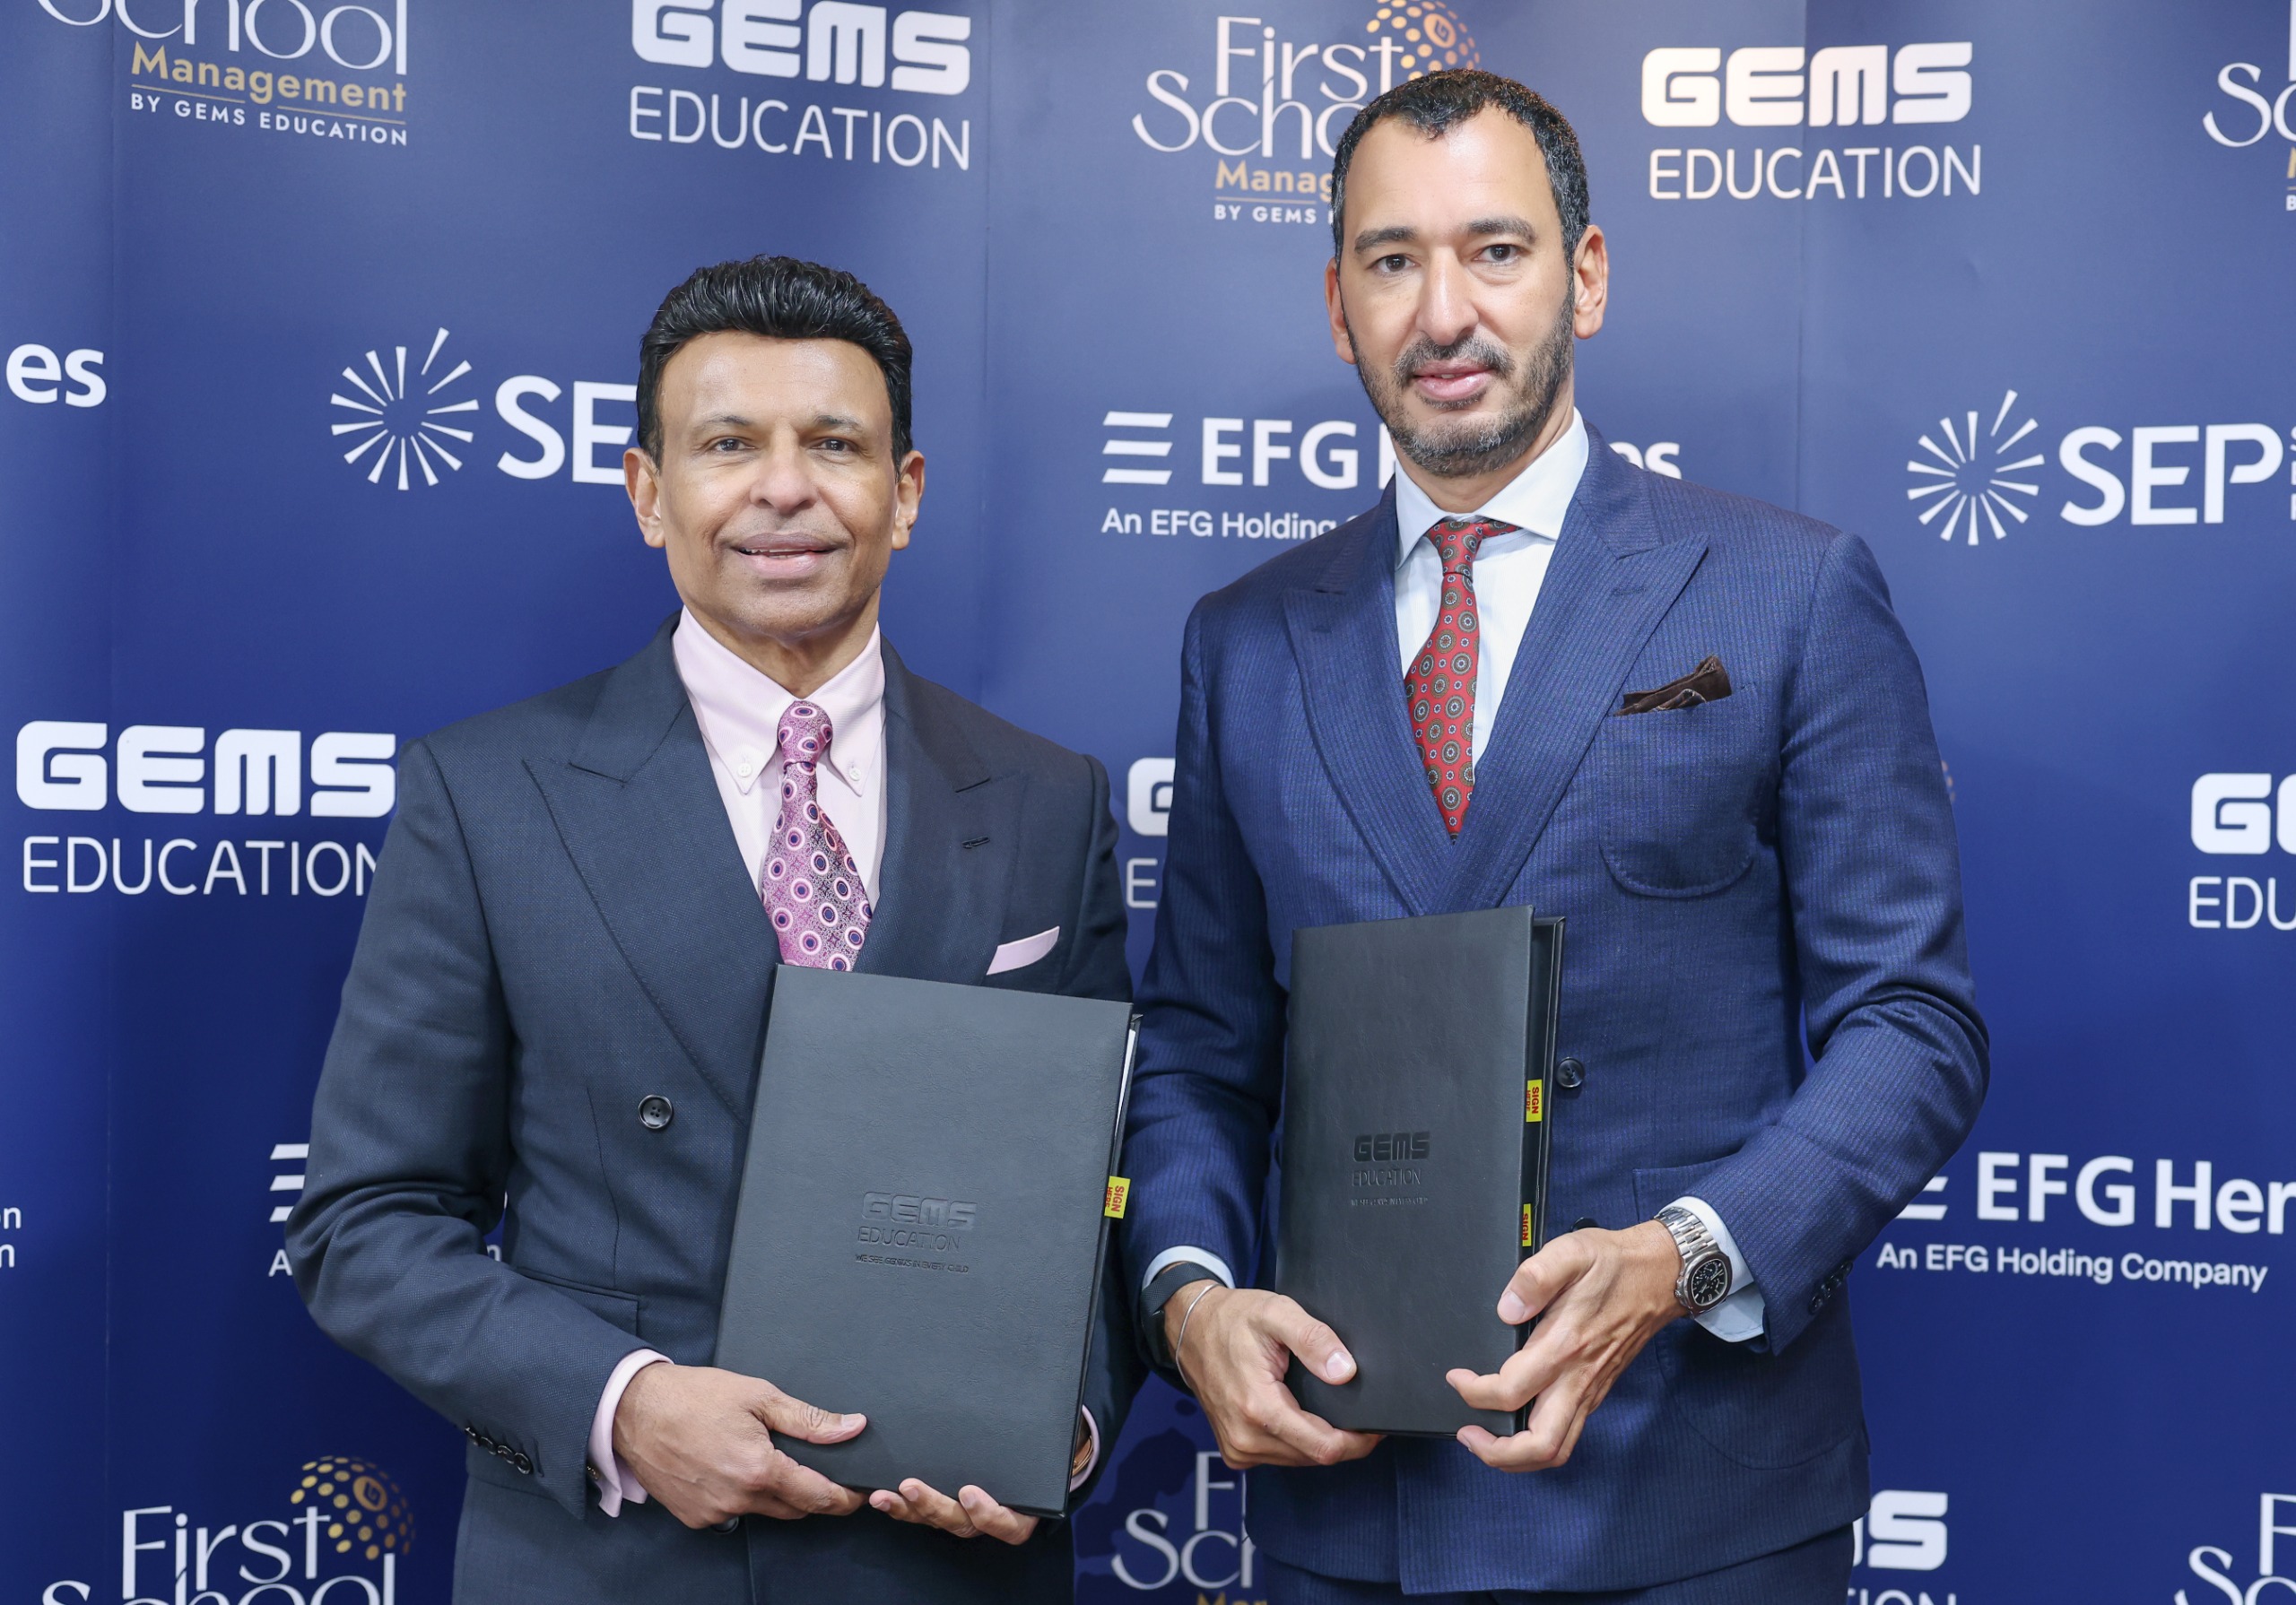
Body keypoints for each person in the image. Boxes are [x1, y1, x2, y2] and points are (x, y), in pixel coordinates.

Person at [1119, 71, 1986, 1604]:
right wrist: (1190, 1298)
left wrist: (1688, 1253)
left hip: (1696, 1502)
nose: (1444, 311)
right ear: (1337, 305)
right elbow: (1197, 1049)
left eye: (1496, 251)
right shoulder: (1242, 642)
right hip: (1350, 1507)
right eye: (1393, 259)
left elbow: (1913, 1025)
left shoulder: (1787, 593)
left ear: (1584, 277)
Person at [289, 256, 1138, 1604]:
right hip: (619, 1562)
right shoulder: (486, 794)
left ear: (906, 493)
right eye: (728, 444)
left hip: (949, 1566)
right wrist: (621, 1403)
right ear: (648, 491)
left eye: (835, 444)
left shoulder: (1050, 799)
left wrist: (1061, 1421)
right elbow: (366, 1219)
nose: (783, 489)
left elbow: (1102, 1185)